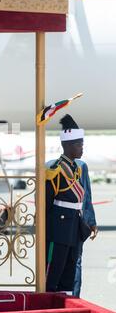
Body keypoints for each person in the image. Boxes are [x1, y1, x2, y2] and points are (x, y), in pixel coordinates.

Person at [45, 114, 87, 293]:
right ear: (67, 146)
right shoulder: (55, 170)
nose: (82, 148)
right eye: (79, 145)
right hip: (59, 225)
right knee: (54, 271)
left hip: (73, 224)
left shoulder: (76, 168)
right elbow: (46, 203)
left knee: (69, 272)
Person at [72, 160, 98, 297]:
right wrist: (91, 221)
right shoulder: (80, 166)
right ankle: (73, 298)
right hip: (76, 221)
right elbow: (86, 196)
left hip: (54, 223)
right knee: (76, 260)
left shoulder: (50, 165)